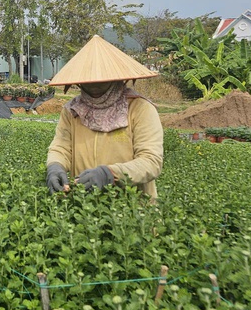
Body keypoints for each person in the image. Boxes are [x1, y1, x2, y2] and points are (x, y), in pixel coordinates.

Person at [46, 35, 163, 200]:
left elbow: (151, 161)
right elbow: (61, 148)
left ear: (116, 77)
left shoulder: (140, 109)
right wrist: (55, 167)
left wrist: (109, 174)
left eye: (101, 79)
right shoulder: (72, 111)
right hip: (83, 206)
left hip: (133, 209)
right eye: (88, 80)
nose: (94, 84)